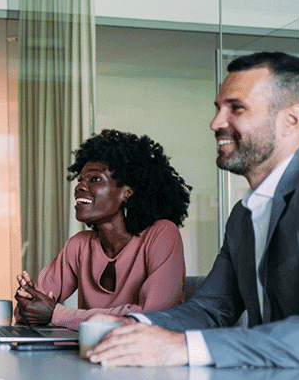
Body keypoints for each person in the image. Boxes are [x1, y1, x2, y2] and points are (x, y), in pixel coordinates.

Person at [87, 51, 299, 368]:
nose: (216, 123)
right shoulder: (245, 214)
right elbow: (212, 308)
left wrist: (181, 347)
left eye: (236, 108)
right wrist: (135, 326)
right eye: (218, 109)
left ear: (291, 121)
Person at [15, 130, 191, 330]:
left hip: (146, 357)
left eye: (95, 179)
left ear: (127, 192)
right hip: (89, 355)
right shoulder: (79, 245)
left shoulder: (162, 235)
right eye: (81, 179)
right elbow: (31, 311)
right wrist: (27, 298)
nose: (80, 186)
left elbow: (152, 316)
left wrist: (57, 314)